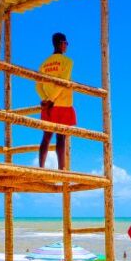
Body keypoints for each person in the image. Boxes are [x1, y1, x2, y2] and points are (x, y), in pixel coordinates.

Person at [35, 32, 75, 170]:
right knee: (61, 137)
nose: (67, 46)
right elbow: (62, 82)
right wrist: (52, 99)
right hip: (62, 103)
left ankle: (41, 168)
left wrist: (45, 99)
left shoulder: (44, 63)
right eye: (66, 43)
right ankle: (61, 169)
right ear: (61, 43)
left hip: (48, 105)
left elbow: (38, 85)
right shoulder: (67, 61)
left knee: (46, 137)